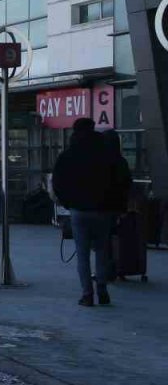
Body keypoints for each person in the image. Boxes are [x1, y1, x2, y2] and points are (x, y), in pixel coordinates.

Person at [51, 118, 132, 307]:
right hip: (104, 210)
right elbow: (124, 180)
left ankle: (87, 294)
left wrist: (68, 203)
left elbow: (58, 182)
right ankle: (102, 289)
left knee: (82, 254)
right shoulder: (108, 153)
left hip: (79, 211)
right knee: (102, 251)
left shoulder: (68, 155)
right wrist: (119, 207)